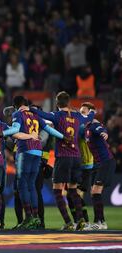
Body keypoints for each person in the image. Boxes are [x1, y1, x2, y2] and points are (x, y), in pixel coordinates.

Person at [30, 91, 95, 230]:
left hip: (63, 158)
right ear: (69, 102)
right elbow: (89, 116)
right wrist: (92, 112)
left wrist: (29, 109)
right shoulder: (78, 116)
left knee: (57, 191)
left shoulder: (57, 115)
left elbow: (42, 115)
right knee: (73, 190)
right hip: (77, 158)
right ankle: (81, 220)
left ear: (57, 103)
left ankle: (68, 222)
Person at [2, 96, 65, 230]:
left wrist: (1, 133)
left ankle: (29, 218)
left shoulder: (18, 113)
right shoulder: (35, 114)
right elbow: (48, 129)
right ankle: (35, 217)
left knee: (21, 185)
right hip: (38, 151)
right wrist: (63, 136)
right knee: (31, 185)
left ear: (15, 105)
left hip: (25, 150)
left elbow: (15, 130)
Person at [85, 117, 116, 230]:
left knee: (95, 191)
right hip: (97, 164)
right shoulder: (86, 128)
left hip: (105, 162)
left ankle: (100, 221)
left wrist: (104, 133)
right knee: (93, 193)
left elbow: (101, 129)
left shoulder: (94, 125)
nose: (83, 114)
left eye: (85, 112)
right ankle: (99, 222)